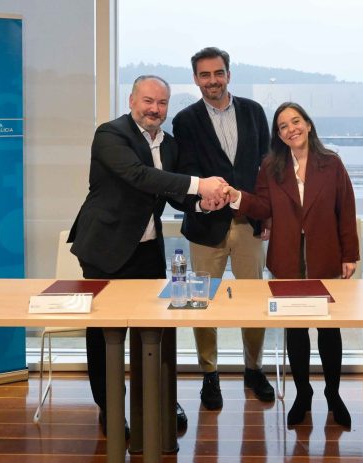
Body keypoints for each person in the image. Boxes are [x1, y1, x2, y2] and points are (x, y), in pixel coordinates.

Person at [68, 75, 229, 438]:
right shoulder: (110, 134)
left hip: (147, 250)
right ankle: (110, 407)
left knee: (154, 331)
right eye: (148, 101)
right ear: (131, 101)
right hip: (105, 248)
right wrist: (199, 184)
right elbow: (141, 177)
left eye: (162, 103)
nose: (155, 109)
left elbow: (174, 194)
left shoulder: (169, 144)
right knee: (106, 334)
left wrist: (202, 203)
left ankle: (159, 398)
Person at [222, 102, 359, 428]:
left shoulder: (332, 163)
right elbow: (262, 206)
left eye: (295, 121)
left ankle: (333, 395)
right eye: (283, 126)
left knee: (329, 331)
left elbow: (346, 209)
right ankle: (303, 394)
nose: (290, 129)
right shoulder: (271, 166)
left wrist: (349, 254)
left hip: (325, 257)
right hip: (287, 260)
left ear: (308, 125)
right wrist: (237, 197)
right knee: (295, 330)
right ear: (278, 134)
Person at [172, 47, 274, 409]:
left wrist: (268, 215)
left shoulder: (253, 112)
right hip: (205, 225)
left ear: (228, 74)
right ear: (196, 79)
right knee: (201, 303)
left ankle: (254, 369)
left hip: (248, 222)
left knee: (254, 301)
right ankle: (209, 374)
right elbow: (184, 172)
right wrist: (204, 197)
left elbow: (267, 168)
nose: (212, 80)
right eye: (205, 75)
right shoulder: (185, 120)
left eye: (218, 73)